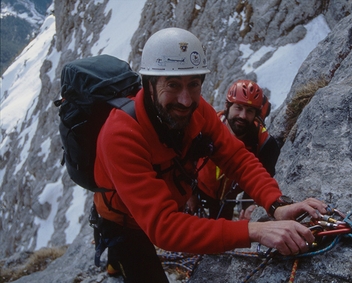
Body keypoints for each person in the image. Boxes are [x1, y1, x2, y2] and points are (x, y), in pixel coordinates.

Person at [93, 27, 327, 283]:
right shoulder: (121, 134)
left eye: (194, 84)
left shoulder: (196, 110)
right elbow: (164, 226)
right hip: (125, 220)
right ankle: (113, 262)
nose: (185, 100)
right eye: (172, 85)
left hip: (166, 205)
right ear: (149, 84)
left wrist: (276, 204)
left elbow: (236, 158)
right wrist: (255, 231)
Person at [188, 79, 280, 220]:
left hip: (227, 199)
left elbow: (265, 174)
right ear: (227, 106)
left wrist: (248, 206)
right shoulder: (206, 128)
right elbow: (185, 160)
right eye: (238, 108)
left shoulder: (264, 143)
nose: (242, 116)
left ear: (256, 114)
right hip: (198, 190)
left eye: (249, 111)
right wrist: (189, 193)